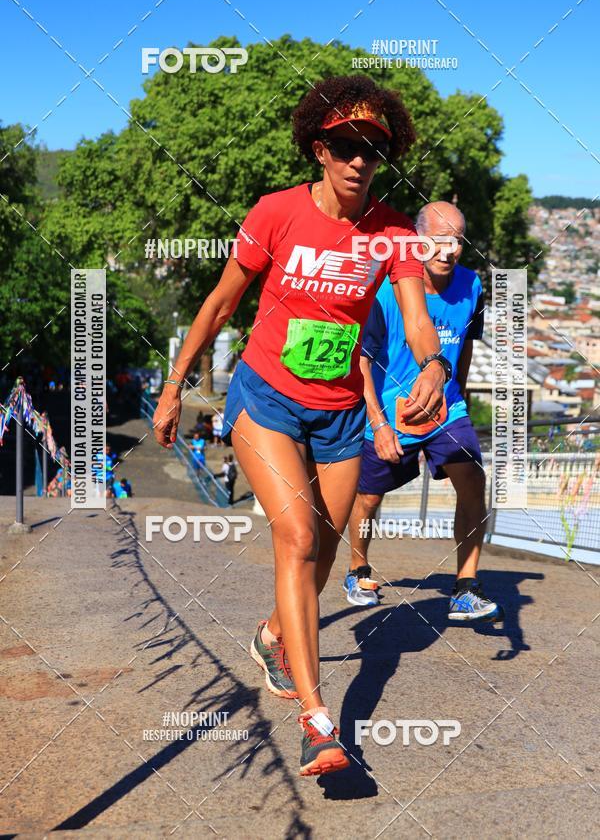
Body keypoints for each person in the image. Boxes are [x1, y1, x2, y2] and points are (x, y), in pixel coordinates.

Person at [153, 75, 447, 776]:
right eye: (345, 145)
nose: (359, 159)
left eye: (372, 148)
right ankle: (319, 722)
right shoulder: (276, 213)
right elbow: (220, 305)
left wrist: (433, 367)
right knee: (298, 536)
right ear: (320, 148)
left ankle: (271, 635)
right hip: (267, 399)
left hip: (340, 412)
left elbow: (415, 318)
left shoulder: (394, 234)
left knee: (320, 557)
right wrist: (172, 387)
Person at [344, 201, 503, 623]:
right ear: (416, 241)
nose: (448, 251)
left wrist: (458, 396)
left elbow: (465, 345)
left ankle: (465, 587)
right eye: (438, 241)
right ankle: (358, 569)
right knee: (367, 498)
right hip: (388, 412)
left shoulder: (472, 286)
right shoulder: (385, 289)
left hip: (446, 409)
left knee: (473, 477)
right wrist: (378, 423)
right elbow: (361, 361)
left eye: (457, 241)